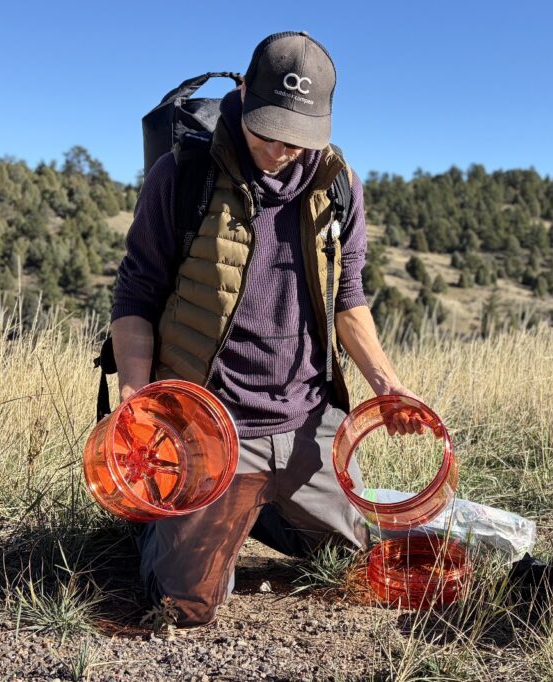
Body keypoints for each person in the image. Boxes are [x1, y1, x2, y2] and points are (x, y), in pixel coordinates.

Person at [111, 31, 422, 627]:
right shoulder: (182, 176)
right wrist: (135, 396)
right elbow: (137, 291)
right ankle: (164, 520)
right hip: (212, 425)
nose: (280, 149)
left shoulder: (338, 184)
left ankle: (262, 506)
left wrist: (387, 384)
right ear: (244, 91)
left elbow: (349, 297)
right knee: (187, 604)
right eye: (266, 130)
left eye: (297, 136)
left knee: (359, 565)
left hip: (308, 421)